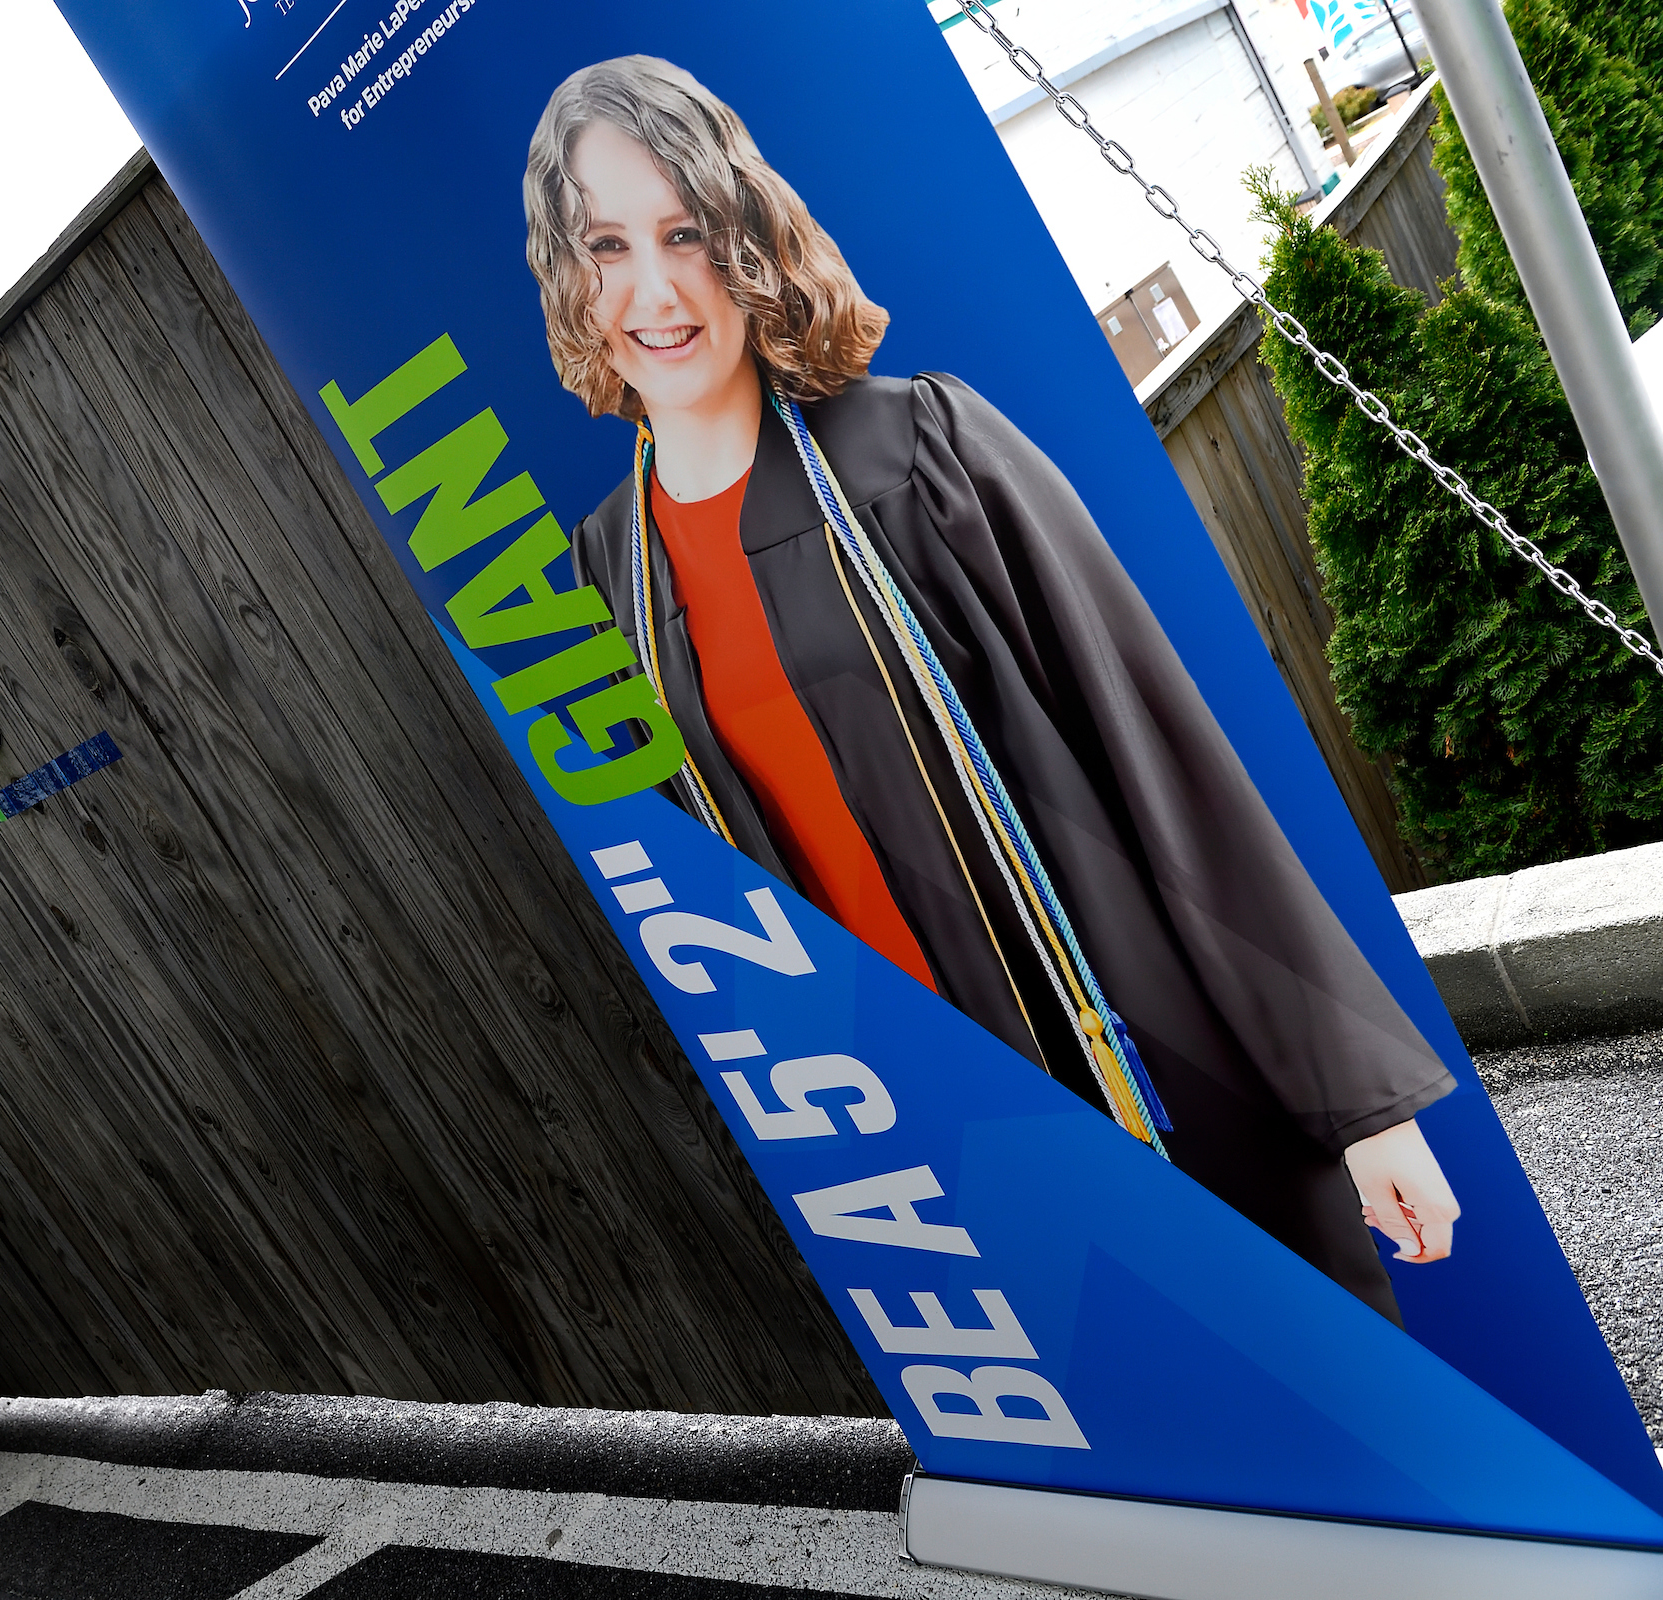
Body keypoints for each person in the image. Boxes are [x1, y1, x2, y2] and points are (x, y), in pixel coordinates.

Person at [524, 56, 1458, 1323]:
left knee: (1312, 1438)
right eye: (605, 244)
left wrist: (1360, 1104)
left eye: (683, 231)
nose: (653, 287)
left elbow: (1162, 761)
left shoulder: (922, 451)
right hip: (924, 1141)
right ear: (568, 274)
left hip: (1129, 1057)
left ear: (741, 232)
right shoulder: (609, 568)